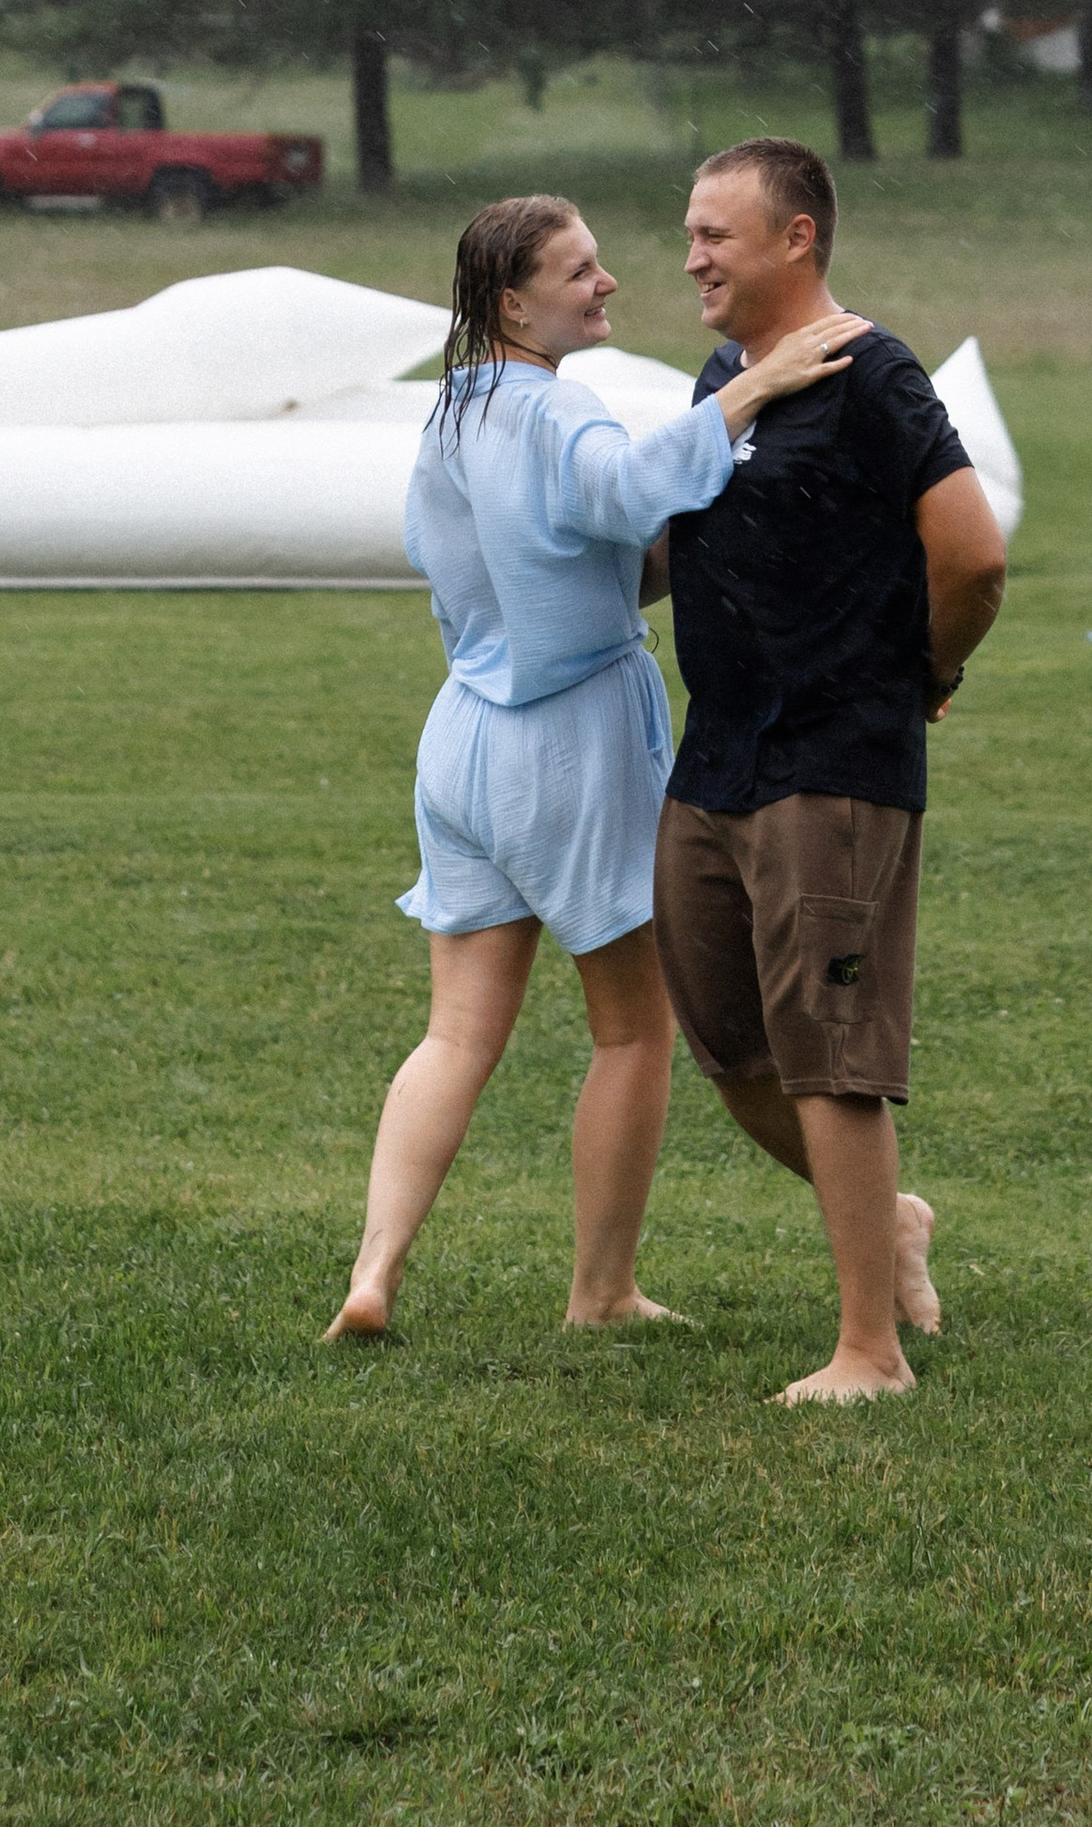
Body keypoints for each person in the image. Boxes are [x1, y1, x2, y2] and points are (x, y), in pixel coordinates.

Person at [326, 192, 868, 1342]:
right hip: (569, 738)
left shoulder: (451, 408)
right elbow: (624, 490)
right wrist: (751, 389)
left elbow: (486, 552)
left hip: (461, 737)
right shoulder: (557, 414)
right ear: (512, 303)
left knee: (457, 1031)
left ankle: (374, 1270)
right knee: (633, 1029)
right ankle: (601, 1292)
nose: (610, 280)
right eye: (579, 271)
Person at [653, 136, 1009, 1406]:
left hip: (834, 760)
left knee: (831, 1056)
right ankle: (893, 1222)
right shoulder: (727, 375)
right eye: (689, 232)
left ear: (796, 238)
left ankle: (872, 1350)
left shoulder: (871, 371)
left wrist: (923, 673)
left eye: (716, 232)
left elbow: (969, 554)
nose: (691, 254)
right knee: (731, 1047)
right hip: (714, 760)